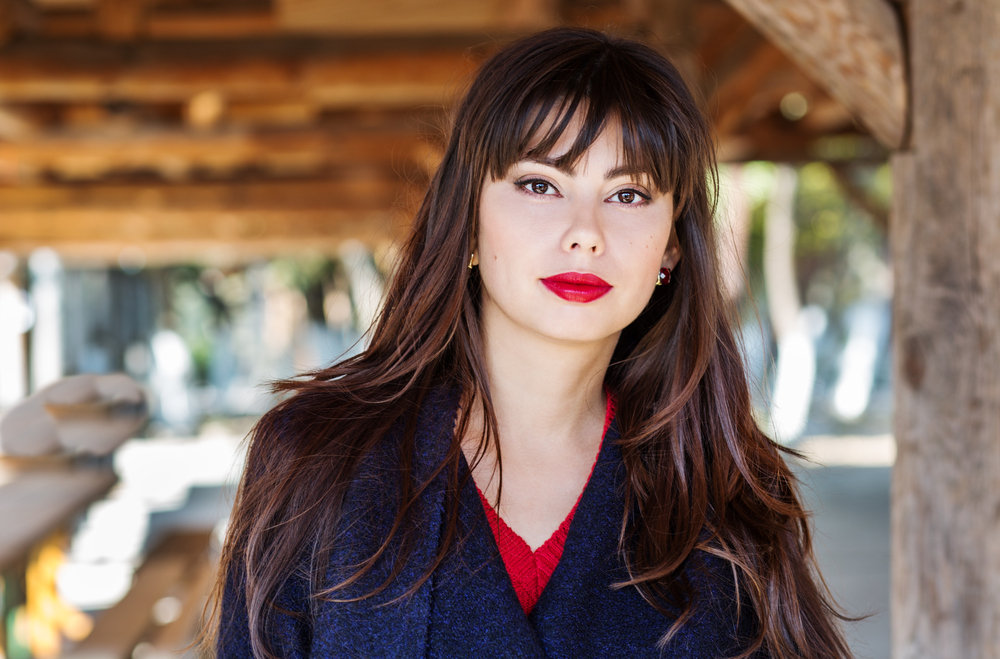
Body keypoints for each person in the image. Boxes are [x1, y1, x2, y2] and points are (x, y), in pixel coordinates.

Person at [210, 28, 853, 659]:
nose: (585, 233)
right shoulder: (316, 460)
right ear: (467, 215)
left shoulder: (726, 493)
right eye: (541, 184)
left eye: (627, 194)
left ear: (672, 245)